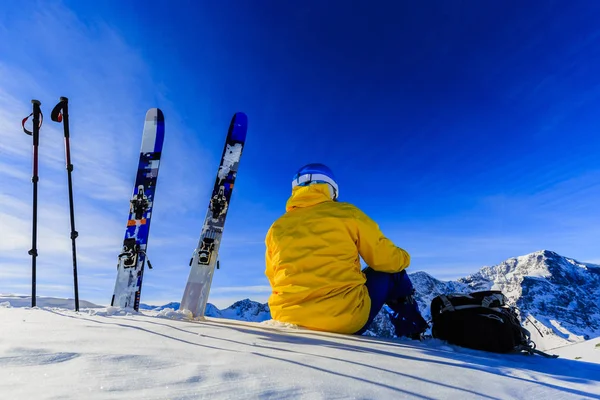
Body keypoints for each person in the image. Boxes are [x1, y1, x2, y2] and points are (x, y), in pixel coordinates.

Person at [265, 163, 428, 338]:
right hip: (342, 319)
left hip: (287, 317)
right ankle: (413, 335)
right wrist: (405, 257)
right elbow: (385, 259)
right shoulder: (347, 213)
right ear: (331, 190)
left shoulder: (276, 227)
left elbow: (273, 276)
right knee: (393, 273)